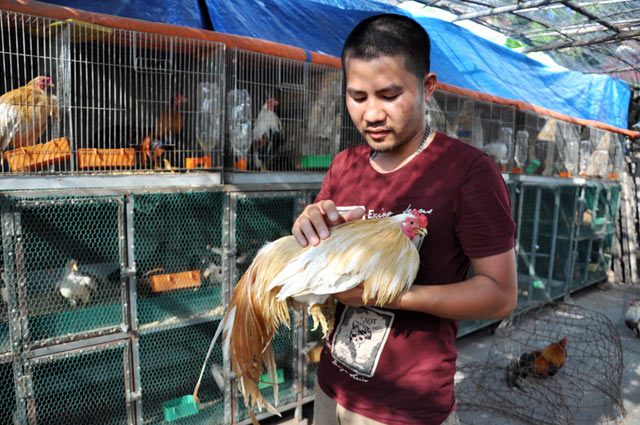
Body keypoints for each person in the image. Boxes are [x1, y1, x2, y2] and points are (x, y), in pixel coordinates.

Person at [291, 13, 517, 425]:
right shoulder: (346, 165)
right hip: (331, 389)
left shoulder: (466, 171)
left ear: (427, 87)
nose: (372, 114)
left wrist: (386, 294)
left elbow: (500, 294)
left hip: (406, 409)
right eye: (358, 97)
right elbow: (319, 259)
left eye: (389, 95)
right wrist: (307, 227)